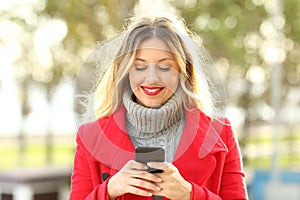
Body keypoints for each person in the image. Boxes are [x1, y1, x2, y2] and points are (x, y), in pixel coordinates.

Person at [70, 14, 248, 200]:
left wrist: (189, 194)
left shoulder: (221, 134)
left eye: (165, 67)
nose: (152, 78)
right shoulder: (89, 137)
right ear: (125, 71)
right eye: (139, 66)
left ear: (183, 71)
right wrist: (109, 190)